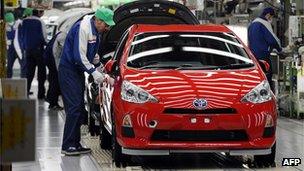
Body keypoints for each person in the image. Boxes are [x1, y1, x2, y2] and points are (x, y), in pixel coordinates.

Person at [59, 7, 115, 156]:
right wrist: (96, 74)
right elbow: (79, 57)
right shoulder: (82, 28)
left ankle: (75, 143)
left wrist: (101, 68)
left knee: (78, 108)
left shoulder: (96, 31)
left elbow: (93, 54)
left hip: (77, 71)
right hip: (69, 71)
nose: (107, 28)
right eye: (106, 24)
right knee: (74, 108)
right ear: (98, 20)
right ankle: (68, 145)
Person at [248, 7, 286, 91]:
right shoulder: (264, 23)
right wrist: (280, 49)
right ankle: (269, 97)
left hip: (253, 56)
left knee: (258, 78)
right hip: (263, 55)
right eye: (271, 17)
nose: (271, 19)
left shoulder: (252, 24)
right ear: (268, 15)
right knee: (267, 77)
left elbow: (255, 40)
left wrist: (271, 48)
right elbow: (273, 39)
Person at [21, 9, 47, 99]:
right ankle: (41, 94)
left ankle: (26, 92)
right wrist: (46, 43)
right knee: (41, 73)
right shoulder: (40, 21)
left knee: (29, 73)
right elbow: (44, 36)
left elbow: (21, 35)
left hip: (27, 50)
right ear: (39, 12)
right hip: (38, 50)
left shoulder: (24, 21)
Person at [43, 31, 64, 110]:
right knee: (55, 80)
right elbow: (58, 53)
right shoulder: (64, 36)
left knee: (53, 79)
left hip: (49, 57)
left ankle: (49, 97)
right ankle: (53, 104)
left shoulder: (62, 33)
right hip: (52, 59)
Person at [5, 12, 21, 78]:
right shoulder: (4, 26)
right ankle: (8, 79)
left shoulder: (18, 24)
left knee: (23, 65)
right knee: (9, 66)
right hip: (10, 49)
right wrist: (6, 41)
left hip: (18, 48)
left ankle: (24, 79)